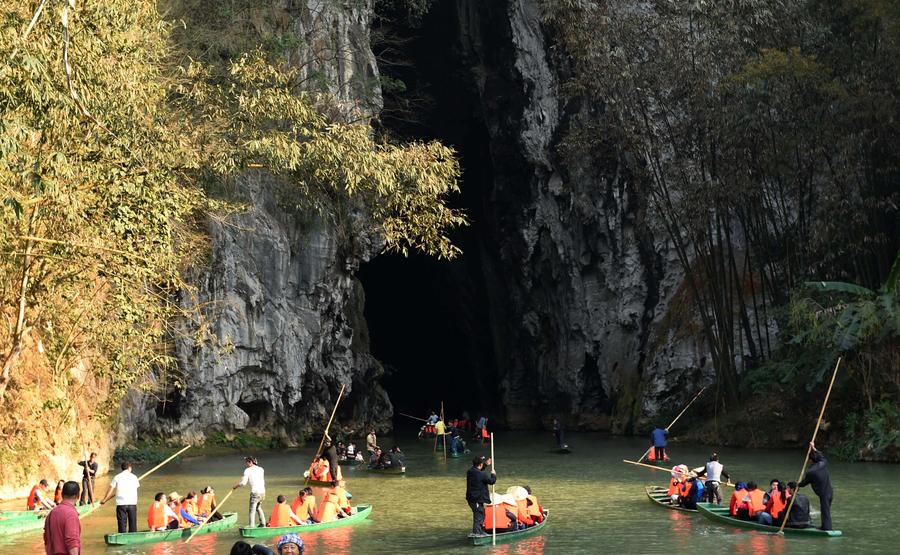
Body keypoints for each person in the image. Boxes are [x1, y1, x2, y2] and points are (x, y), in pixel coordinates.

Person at [799, 441, 834, 530]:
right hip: (830, 491)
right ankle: (824, 526)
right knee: (825, 510)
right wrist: (813, 448)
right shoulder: (822, 463)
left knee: (825, 511)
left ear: (810, 461)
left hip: (824, 494)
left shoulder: (811, 472)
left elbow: (804, 483)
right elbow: (820, 456)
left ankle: (827, 528)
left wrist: (797, 484)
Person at [99, 461, 140, 533]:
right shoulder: (134, 477)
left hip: (121, 504)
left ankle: (122, 535)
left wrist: (104, 500)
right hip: (132, 503)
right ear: (129, 468)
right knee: (132, 523)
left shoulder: (117, 477)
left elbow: (110, 489)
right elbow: (136, 487)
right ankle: (133, 535)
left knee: (122, 524)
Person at [43, 480, 81, 555]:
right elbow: (72, 541)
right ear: (78, 496)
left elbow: (46, 540)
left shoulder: (51, 513)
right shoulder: (71, 514)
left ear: (62, 494)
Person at [465, 455, 497, 536]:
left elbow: (478, 471)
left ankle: (479, 531)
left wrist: (486, 464)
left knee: (481, 514)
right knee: (478, 515)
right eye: (482, 463)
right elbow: (492, 481)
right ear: (480, 464)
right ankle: (477, 533)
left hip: (472, 498)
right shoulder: (482, 474)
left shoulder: (470, 471)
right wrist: (493, 474)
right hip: (476, 499)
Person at [233, 456, 266, 527]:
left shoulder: (247, 470)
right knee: (258, 507)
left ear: (250, 462)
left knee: (252, 510)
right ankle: (263, 524)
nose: (246, 464)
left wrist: (236, 486)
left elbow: (243, 483)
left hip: (255, 493)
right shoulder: (261, 469)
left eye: (247, 462)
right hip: (262, 492)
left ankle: (251, 526)